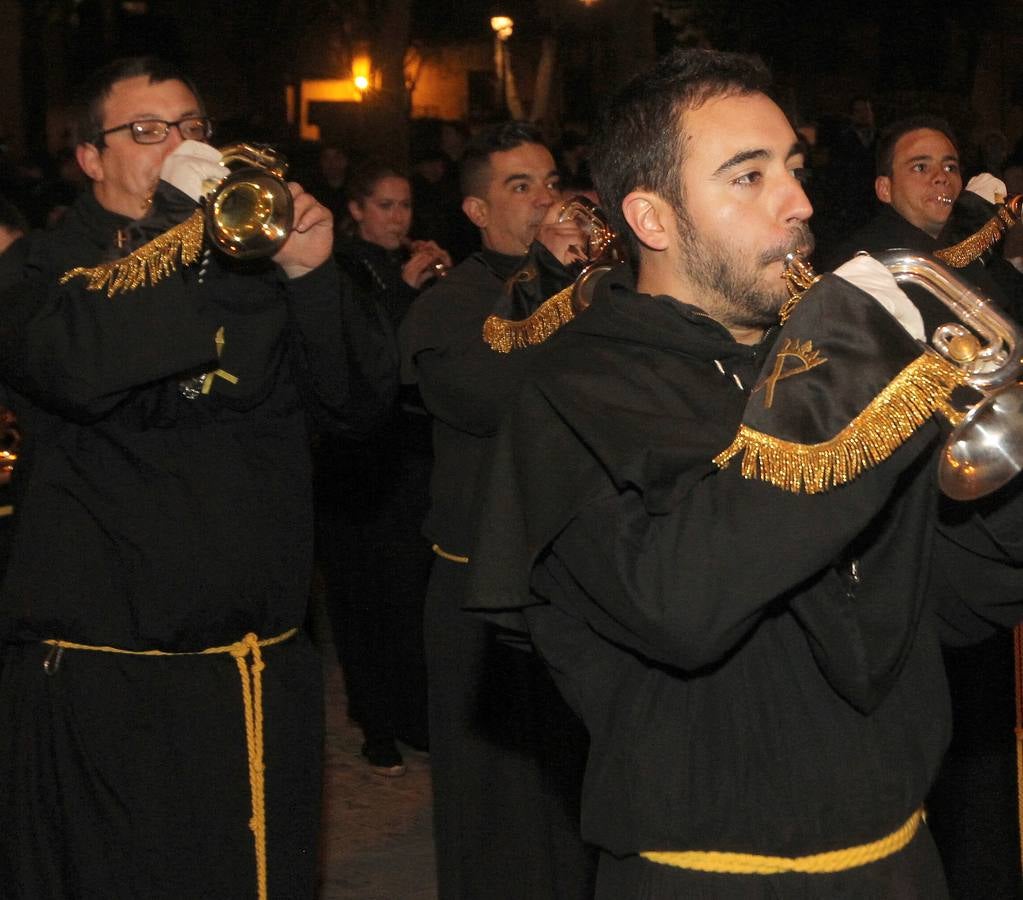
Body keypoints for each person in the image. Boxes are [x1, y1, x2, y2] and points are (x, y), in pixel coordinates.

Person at [465, 48, 1023, 897]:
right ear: (652, 218)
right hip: (707, 875)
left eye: (792, 168)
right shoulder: (574, 393)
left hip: (899, 859)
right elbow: (684, 605)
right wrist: (845, 387)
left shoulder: (812, 367)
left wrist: (1005, 480)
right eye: (748, 176)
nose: (798, 203)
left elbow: (950, 601)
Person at [0, 55, 392, 899]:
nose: (180, 147)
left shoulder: (255, 253)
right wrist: (182, 223)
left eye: (192, 129)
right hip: (108, 679)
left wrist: (311, 274)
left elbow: (357, 407)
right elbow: (75, 366)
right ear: (91, 157)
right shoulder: (43, 267)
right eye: (147, 131)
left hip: (253, 670)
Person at [399, 120, 597, 899]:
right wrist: (549, 276)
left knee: (576, 794)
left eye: (551, 181)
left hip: (578, 579)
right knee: (496, 811)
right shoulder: (453, 301)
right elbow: (480, 395)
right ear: (477, 211)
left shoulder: (598, 288)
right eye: (521, 187)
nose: (547, 199)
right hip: (481, 591)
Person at [318, 162, 450, 776]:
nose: (399, 218)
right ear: (356, 210)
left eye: (405, 206)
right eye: (385, 206)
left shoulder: (408, 264)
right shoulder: (341, 266)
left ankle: (410, 712)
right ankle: (375, 722)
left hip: (410, 452)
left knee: (411, 594)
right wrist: (404, 287)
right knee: (364, 597)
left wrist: (441, 286)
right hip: (356, 460)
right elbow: (365, 355)